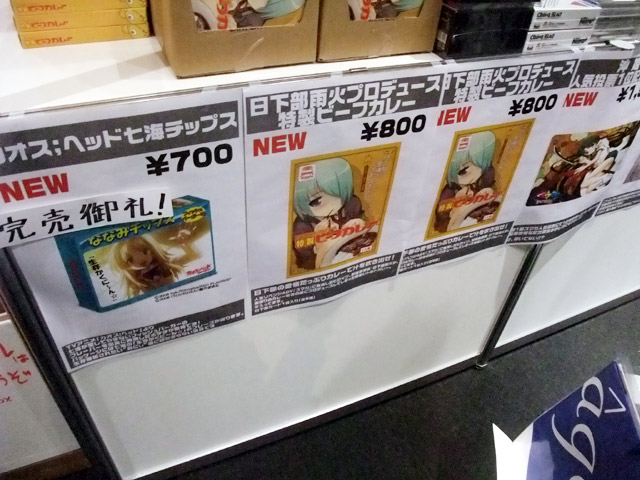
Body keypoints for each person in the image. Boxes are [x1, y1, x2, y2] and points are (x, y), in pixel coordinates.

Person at [292, 157, 376, 270]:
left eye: (337, 194)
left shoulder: (352, 203)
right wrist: (318, 246)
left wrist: (360, 226)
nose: (331, 203)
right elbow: (304, 262)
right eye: (316, 201)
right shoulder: (302, 227)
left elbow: (366, 227)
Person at [434, 131, 500, 233]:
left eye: (463, 171)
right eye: (462, 172)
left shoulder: (486, 176)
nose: (476, 169)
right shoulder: (449, 192)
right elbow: (441, 222)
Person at [110, 230, 198, 298]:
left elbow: (193, 255)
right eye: (130, 259)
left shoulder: (166, 264)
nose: (141, 259)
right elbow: (134, 299)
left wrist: (186, 243)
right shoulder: (137, 280)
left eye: (144, 250)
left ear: (151, 248)